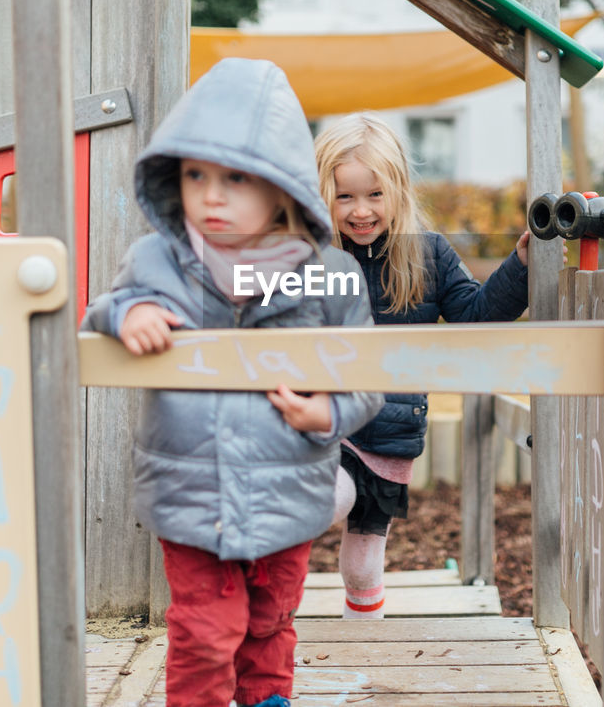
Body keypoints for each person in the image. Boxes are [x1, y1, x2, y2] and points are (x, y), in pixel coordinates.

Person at [82, 59, 382, 707]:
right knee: (204, 629)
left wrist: (327, 409)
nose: (210, 196)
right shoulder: (156, 260)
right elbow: (99, 310)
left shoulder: (328, 273)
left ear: (281, 188)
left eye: (235, 179)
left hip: (287, 489)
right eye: (195, 175)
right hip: (194, 491)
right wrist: (127, 313)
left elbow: (366, 373)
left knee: (269, 621)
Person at [314, 112, 531, 619]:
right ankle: (253, 597)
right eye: (345, 196)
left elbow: (475, 316)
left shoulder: (427, 256)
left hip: (389, 436)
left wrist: (521, 267)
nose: (361, 210)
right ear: (322, 194)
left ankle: (363, 640)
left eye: (374, 194)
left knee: (364, 564)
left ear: (399, 192)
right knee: (330, 497)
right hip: (326, 423)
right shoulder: (308, 259)